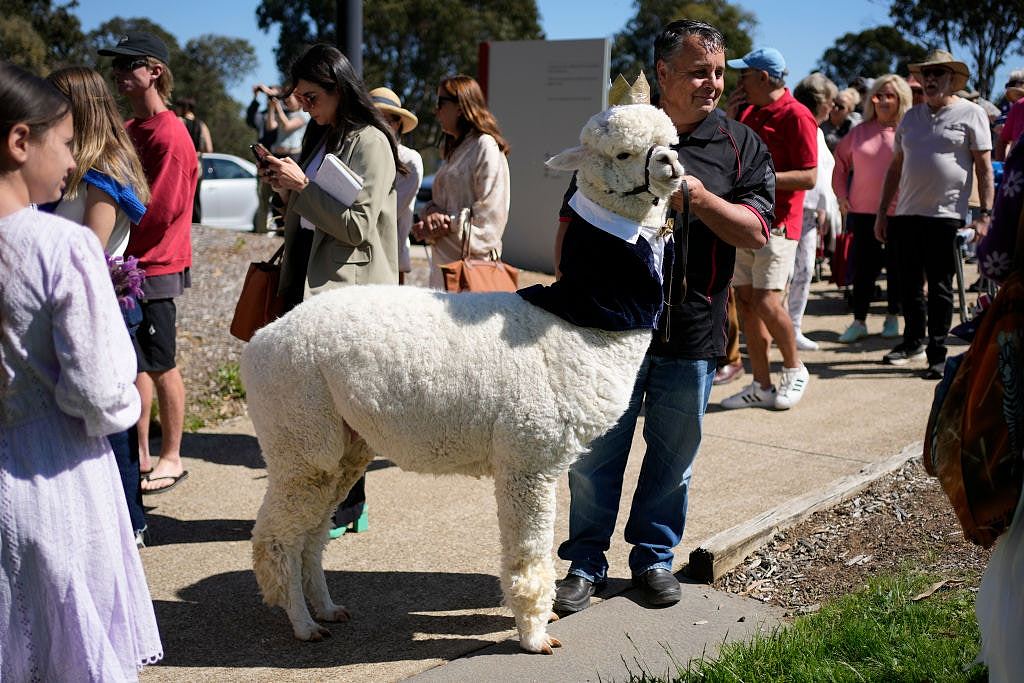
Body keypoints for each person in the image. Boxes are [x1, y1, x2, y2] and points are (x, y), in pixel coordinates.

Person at [551, 19, 773, 614]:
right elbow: (569, 225)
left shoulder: (740, 145)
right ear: (663, 74)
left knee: (673, 460)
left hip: (692, 329)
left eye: (721, 72)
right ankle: (584, 564)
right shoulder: (618, 131)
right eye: (700, 70)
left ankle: (652, 558)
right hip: (608, 329)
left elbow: (755, 231)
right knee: (596, 454)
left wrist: (698, 197)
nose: (714, 83)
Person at [0, 59, 162, 680]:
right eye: (65, 144)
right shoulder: (59, 247)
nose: (73, 162)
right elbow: (100, 392)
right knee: (71, 647)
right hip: (59, 477)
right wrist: (123, 404)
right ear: (20, 142)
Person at [261, 43, 402, 538]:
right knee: (326, 408)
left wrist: (301, 188)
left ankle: (347, 504)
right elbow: (318, 213)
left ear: (338, 88)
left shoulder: (371, 141)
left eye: (310, 95)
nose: (302, 104)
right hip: (317, 283)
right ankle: (340, 502)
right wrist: (285, 187)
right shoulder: (325, 134)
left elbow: (357, 226)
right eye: (298, 95)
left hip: (353, 295)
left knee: (350, 410)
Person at [46, 65, 153, 546]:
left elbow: (92, 248)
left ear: (80, 107)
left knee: (110, 427)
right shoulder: (75, 166)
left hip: (100, 307)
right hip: (76, 306)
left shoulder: (104, 171)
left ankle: (129, 524)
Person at [100, 31, 199, 493]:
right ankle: (139, 454)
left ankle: (172, 455)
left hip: (156, 267)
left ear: (154, 71)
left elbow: (164, 209)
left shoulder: (171, 133)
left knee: (162, 364)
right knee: (134, 364)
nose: (118, 73)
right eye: (115, 66)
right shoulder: (131, 129)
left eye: (127, 65)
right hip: (128, 265)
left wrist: (109, 225)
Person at [875, 50, 993, 379]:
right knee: (908, 285)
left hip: (946, 216)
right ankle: (912, 341)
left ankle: (937, 352)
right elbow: (895, 168)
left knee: (940, 287)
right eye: (926, 74)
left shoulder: (972, 114)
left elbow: (984, 169)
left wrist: (985, 214)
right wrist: (883, 212)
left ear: (952, 80)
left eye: (938, 74)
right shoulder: (911, 117)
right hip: (907, 213)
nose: (930, 79)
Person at [721, 47, 815, 411]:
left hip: (778, 226)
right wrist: (729, 117)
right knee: (745, 303)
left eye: (745, 75)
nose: (739, 81)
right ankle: (761, 386)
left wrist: (763, 179)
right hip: (744, 219)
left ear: (763, 77)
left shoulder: (797, 115)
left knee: (765, 300)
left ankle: (794, 368)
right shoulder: (745, 112)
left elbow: (809, 176)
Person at [832, 74, 913, 343]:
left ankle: (893, 318)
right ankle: (859, 321)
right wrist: (841, 195)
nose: (884, 100)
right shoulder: (859, 131)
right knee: (864, 269)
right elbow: (839, 164)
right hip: (862, 212)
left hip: (900, 211)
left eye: (891, 95)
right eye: (879, 95)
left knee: (898, 268)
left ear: (901, 99)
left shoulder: (908, 130)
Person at [412, 75, 510, 289]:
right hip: (443, 269)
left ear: (460, 106)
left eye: (440, 103)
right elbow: (442, 205)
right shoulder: (454, 150)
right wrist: (429, 219)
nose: (436, 111)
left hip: (472, 273)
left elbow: (490, 220)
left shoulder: (485, 146)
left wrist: (446, 223)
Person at [790, 73, 840, 351]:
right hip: (790, 208)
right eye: (830, 101)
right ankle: (783, 326)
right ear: (819, 100)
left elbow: (821, 177)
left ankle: (793, 325)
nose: (833, 107)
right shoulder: (800, 123)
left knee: (805, 269)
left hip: (810, 213)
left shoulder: (818, 130)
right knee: (784, 273)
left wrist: (824, 208)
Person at [370, 86, 423, 285]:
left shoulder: (409, 161)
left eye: (387, 120)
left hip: (388, 259)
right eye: (374, 120)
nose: (379, 127)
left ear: (398, 124)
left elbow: (385, 214)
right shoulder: (358, 155)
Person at [173, 97, 212, 223]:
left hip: (182, 163)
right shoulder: (202, 125)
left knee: (181, 194)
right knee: (195, 195)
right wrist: (198, 152)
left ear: (184, 108)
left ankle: (181, 221)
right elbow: (209, 148)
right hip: (197, 164)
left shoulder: (179, 121)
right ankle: (196, 221)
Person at [247, 83, 279, 232]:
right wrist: (255, 97)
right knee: (263, 200)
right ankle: (261, 232)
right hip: (264, 163)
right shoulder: (263, 115)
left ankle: (281, 233)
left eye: (272, 95)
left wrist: (272, 97)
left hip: (280, 161)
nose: (270, 98)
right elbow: (250, 119)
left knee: (281, 201)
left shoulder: (284, 114)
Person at [266, 90, 310, 162]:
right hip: (277, 154)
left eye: (289, 98)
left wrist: (278, 106)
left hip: (292, 155)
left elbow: (287, 127)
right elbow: (270, 127)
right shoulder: (285, 113)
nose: (286, 101)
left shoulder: (304, 114)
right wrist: (271, 108)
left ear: (298, 98)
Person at [821, 86, 862, 151]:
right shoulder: (820, 122)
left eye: (841, 107)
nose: (836, 109)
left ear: (849, 111)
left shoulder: (855, 128)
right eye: (835, 104)